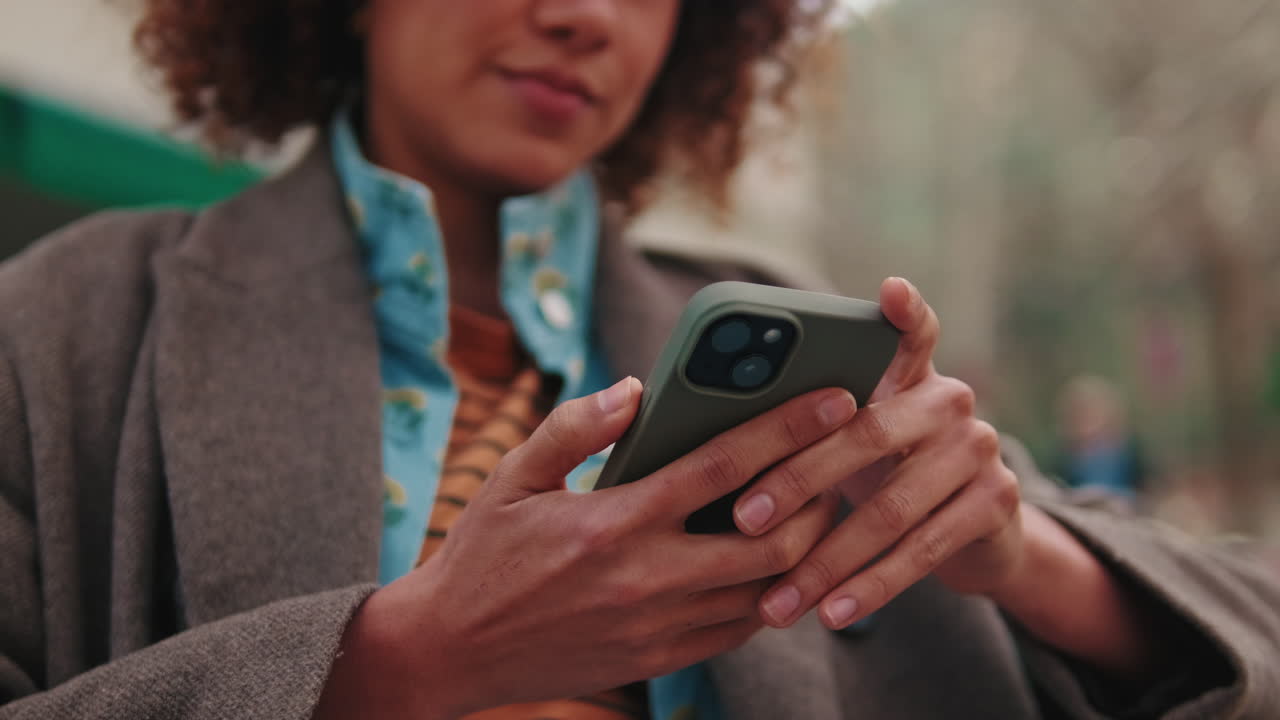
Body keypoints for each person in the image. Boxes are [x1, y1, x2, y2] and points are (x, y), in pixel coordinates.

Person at [0, 2, 1277, 719]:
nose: (583, 17)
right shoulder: (64, 325)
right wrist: (401, 659)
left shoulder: (801, 350)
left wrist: (1022, 556)